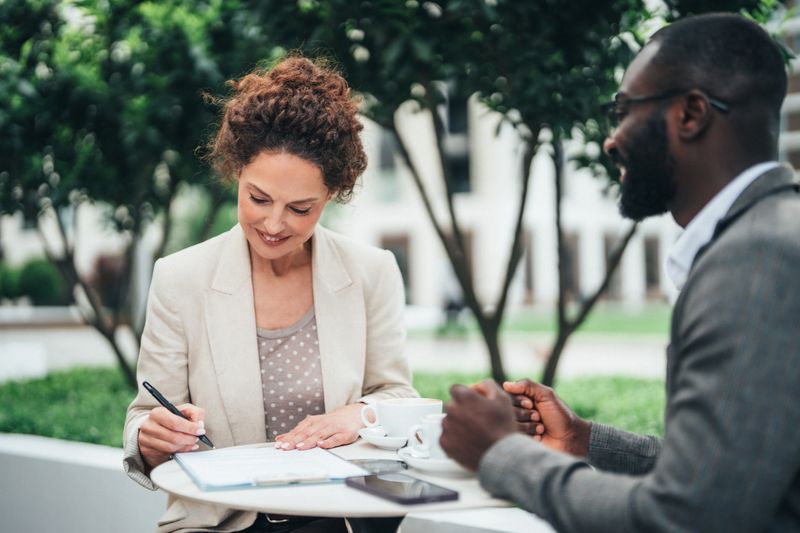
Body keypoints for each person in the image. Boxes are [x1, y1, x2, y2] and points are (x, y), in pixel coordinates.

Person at [441, 13, 800, 533]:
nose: (611, 140)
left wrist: (502, 455)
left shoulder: (755, 261)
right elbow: (732, 474)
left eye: (624, 110)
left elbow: (686, 519)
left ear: (691, 113)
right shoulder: (768, 236)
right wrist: (585, 441)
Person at [123, 56, 417, 533]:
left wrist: (361, 413)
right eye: (258, 199)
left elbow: (399, 394)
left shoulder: (371, 272)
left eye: (300, 208)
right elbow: (144, 417)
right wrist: (153, 436)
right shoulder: (180, 278)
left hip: (342, 519)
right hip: (224, 522)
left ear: (331, 195)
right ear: (236, 172)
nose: (275, 225)